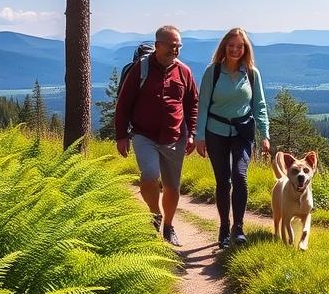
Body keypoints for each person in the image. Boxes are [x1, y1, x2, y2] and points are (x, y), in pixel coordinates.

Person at [115, 25, 198, 246]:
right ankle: (154, 213)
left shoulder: (184, 72)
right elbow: (123, 104)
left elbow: (192, 104)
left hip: (175, 136)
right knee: (149, 175)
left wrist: (192, 134)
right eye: (172, 46)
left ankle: (169, 226)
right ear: (158, 45)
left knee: (172, 186)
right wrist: (121, 135)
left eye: (178, 46)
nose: (176, 50)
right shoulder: (140, 70)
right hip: (144, 135)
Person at [196, 27, 271, 248]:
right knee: (223, 181)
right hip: (215, 131)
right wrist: (199, 136)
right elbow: (203, 107)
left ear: (245, 49)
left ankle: (238, 227)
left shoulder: (251, 73)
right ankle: (223, 226)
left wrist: (265, 134)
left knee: (240, 175)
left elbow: (260, 105)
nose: (235, 50)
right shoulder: (213, 72)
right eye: (231, 46)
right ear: (224, 47)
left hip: (242, 131)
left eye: (240, 46)